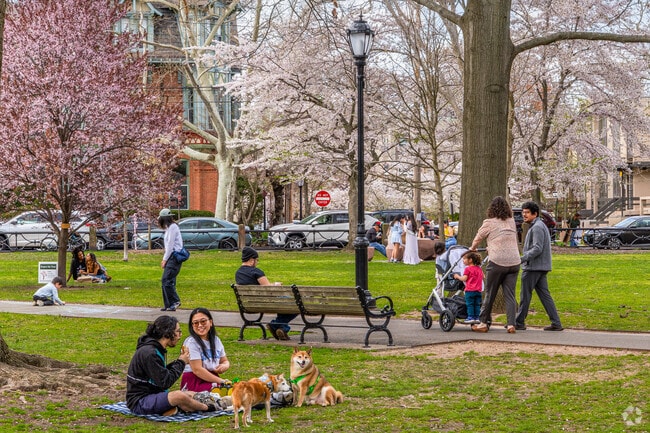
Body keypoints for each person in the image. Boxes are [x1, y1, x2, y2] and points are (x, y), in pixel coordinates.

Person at [126, 315, 220, 415]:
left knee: (191, 393)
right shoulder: (150, 353)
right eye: (178, 331)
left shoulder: (155, 349)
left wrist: (179, 361)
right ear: (169, 333)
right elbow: (165, 382)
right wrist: (181, 362)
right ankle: (208, 408)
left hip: (153, 395)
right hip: (140, 402)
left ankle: (182, 407)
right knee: (179, 396)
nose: (180, 335)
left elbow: (161, 373)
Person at [469, 196, 520, 334]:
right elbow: (503, 239)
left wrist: (473, 248)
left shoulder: (489, 222)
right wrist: (491, 246)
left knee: (490, 293)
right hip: (514, 262)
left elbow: (479, 237)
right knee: (509, 294)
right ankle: (511, 324)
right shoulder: (511, 222)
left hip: (497, 262)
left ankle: (483, 323)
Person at [515, 201, 564, 331]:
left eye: (526, 213)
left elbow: (537, 248)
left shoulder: (537, 227)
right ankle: (556, 323)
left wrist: (522, 259)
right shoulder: (539, 225)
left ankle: (519, 322)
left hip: (533, 267)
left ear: (534, 213)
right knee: (544, 295)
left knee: (525, 295)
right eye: (523, 212)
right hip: (541, 266)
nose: (524, 215)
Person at [235, 246, 295, 340]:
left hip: (249, 304)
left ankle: (281, 328)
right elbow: (268, 289)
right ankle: (277, 325)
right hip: (265, 302)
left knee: (285, 303)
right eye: (256, 260)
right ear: (251, 260)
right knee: (294, 303)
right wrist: (276, 284)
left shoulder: (238, 273)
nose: (257, 262)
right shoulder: (256, 272)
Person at [180, 308, 231, 392]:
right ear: (192, 326)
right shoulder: (191, 343)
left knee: (231, 391)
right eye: (196, 323)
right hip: (194, 380)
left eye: (203, 321)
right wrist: (221, 381)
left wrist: (225, 366)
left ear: (210, 322)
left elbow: (224, 360)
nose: (200, 325)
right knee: (221, 393)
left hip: (213, 378)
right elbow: (197, 370)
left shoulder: (216, 340)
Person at [159, 208, 183, 311]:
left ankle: (175, 301)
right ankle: (168, 304)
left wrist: (164, 259)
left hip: (174, 256)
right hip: (171, 256)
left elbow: (170, 245)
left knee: (166, 280)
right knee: (169, 280)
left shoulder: (173, 227)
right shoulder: (168, 228)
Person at [453, 252, 483, 324]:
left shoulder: (467, 269)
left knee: (470, 304)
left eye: (464, 259)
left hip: (470, 290)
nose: (463, 261)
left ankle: (470, 317)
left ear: (470, 260)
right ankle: (477, 317)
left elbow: (464, 279)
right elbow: (483, 276)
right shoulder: (479, 268)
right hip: (478, 290)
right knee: (477, 304)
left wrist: (457, 276)